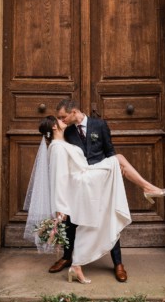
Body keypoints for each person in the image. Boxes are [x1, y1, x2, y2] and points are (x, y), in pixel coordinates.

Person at [24, 115, 165, 284]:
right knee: (118, 160)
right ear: (54, 127)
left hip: (87, 175)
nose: (63, 119)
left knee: (116, 166)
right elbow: (58, 178)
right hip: (81, 182)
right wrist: (60, 207)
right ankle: (147, 188)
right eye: (59, 119)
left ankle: (76, 265)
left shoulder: (65, 141)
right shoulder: (56, 147)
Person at [49, 99, 126, 282]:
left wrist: (115, 168)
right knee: (72, 221)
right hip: (79, 182)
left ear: (74, 111)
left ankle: (118, 263)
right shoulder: (67, 131)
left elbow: (109, 151)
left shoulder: (99, 125)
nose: (61, 120)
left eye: (63, 116)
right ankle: (68, 257)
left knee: (108, 219)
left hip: (100, 180)